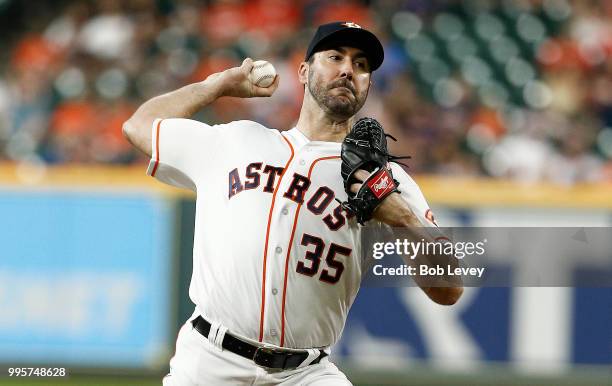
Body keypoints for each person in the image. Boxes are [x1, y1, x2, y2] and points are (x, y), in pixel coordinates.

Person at [123, 21, 463, 386]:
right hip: (209, 360)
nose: (348, 69)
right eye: (335, 57)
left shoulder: (383, 179)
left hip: (306, 373)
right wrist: (215, 87)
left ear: (368, 84)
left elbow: (448, 290)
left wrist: (405, 220)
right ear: (303, 71)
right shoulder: (236, 141)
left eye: (362, 65)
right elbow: (138, 126)